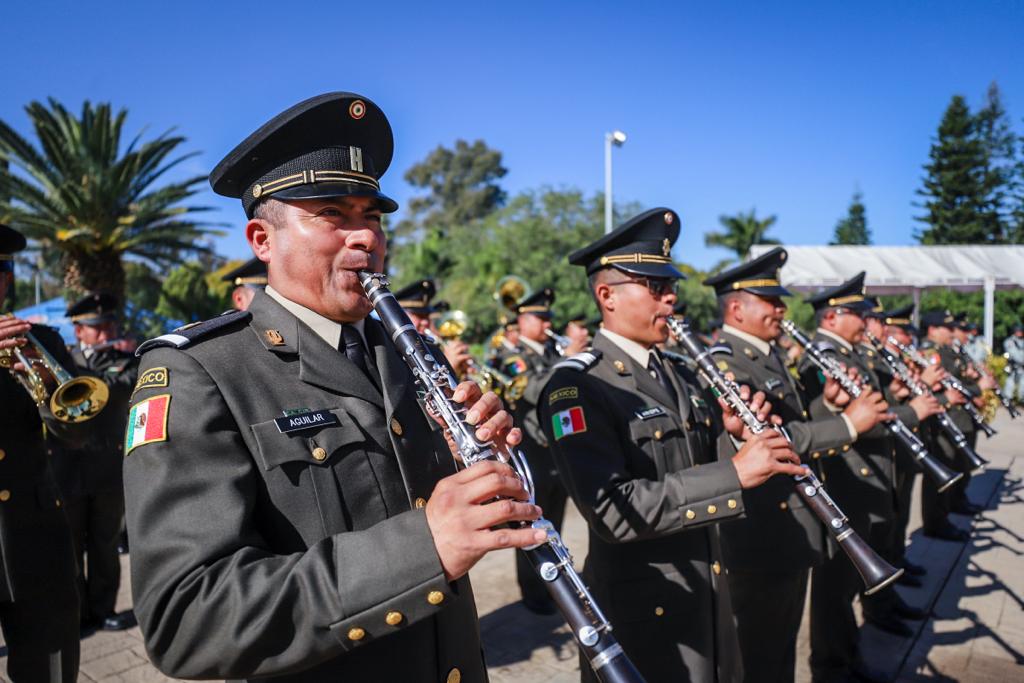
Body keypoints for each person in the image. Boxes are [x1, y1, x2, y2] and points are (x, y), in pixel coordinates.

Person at [124, 92, 545, 682]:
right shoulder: (199, 371)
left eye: (372, 216)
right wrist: (423, 546)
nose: (365, 237)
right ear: (262, 239)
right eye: (331, 213)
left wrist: (481, 469)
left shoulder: (413, 353)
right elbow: (186, 620)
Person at [539, 208, 805, 683]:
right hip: (645, 615)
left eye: (670, 286)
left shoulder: (680, 371)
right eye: (655, 286)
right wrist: (735, 472)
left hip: (708, 596)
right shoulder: (576, 386)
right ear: (607, 296)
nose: (671, 298)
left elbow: (701, 468)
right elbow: (613, 512)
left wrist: (735, 439)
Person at [701, 248, 889, 683]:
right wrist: (848, 424)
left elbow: (797, 418)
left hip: (789, 526)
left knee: (779, 646)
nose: (782, 310)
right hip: (762, 531)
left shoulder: (766, 354)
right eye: (771, 302)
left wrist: (829, 405)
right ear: (736, 308)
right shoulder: (727, 362)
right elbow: (771, 438)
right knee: (761, 657)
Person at [796, 273, 932, 682]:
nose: (868, 321)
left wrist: (899, 397)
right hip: (844, 484)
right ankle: (832, 667)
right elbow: (852, 421)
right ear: (832, 318)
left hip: (864, 479)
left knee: (850, 583)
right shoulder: (821, 357)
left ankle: (850, 652)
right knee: (835, 590)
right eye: (858, 313)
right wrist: (913, 411)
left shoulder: (849, 353)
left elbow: (870, 407)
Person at [0, 223, 81, 682]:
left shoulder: (42, 341)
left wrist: (48, 390)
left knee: (50, 667)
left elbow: (76, 433)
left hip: (35, 532)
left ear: (6, 280)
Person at [52, 292, 139, 633]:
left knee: (104, 543)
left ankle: (103, 610)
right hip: (67, 466)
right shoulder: (63, 359)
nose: (106, 332)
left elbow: (122, 388)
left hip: (107, 466)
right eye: (97, 327)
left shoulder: (124, 359)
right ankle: (76, 613)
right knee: (70, 545)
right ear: (79, 331)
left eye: (109, 326)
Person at [501, 287, 587, 615]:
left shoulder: (553, 351)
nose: (548, 323)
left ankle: (556, 587)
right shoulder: (514, 356)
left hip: (555, 449)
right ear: (523, 320)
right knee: (529, 527)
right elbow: (533, 389)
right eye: (540, 317)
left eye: (549, 317)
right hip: (529, 452)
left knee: (555, 524)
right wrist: (568, 361)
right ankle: (534, 593)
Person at [919, 311, 982, 536]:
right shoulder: (932, 353)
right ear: (933, 330)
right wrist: (977, 388)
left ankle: (947, 512)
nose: (952, 332)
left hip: (955, 417)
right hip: (943, 419)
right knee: (941, 472)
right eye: (947, 328)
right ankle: (936, 522)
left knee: (955, 467)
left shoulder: (947, 351)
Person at [395, 278, 472, 377]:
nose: (426, 322)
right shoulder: (395, 354)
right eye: (419, 316)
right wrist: (450, 366)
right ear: (400, 316)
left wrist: (463, 374)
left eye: (427, 316)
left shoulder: (433, 348)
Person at [1005, 324, 1024, 403]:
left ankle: (1022, 400)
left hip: (1022, 367)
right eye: (1018, 331)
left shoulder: (1022, 341)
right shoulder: (1010, 341)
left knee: (1023, 384)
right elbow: (1015, 355)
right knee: (1010, 383)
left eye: (1021, 331)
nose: (1019, 333)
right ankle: (1008, 400)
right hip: (1013, 366)